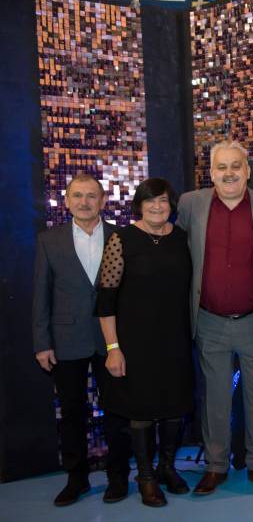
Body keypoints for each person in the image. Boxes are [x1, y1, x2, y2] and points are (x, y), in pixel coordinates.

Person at [176, 140, 253, 495]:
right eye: (221, 167)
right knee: (215, 399)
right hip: (208, 320)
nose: (229, 173)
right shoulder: (190, 204)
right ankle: (216, 465)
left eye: (235, 166)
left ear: (247, 171)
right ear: (210, 173)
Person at [32, 174, 131, 506]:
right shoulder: (49, 240)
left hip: (111, 341)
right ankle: (77, 479)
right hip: (66, 339)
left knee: (117, 411)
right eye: (77, 195)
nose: (84, 202)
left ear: (103, 201)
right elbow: (41, 294)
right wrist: (42, 342)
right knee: (72, 413)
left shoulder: (121, 236)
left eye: (91, 196)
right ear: (66, 200)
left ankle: (119, 477)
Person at [97, 178, 194, 507]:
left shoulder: (182, 238)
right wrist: (113, 348)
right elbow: (106, 299)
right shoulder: (121, 239)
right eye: (150, 200)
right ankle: (146, 477)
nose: (157, 206)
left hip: (175, 339)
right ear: (139, 205)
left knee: (174, 409)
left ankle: (167, 467)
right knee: (140, 412)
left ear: (171, 205)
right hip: (135, 344)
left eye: (163, 200)